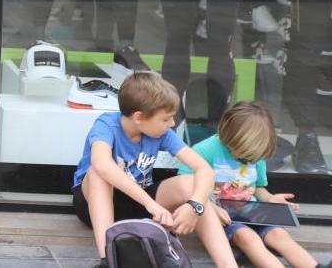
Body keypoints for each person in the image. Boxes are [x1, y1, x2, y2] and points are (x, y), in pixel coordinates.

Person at [72, 72, 235, 268]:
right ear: (139, 117)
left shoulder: (162, 133)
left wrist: (196, 206)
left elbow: (204, 170)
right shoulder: (107, 125)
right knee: (98, 174)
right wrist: (151, 205)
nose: (172, 124)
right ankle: (108, 259)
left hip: (139, 204)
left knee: (191, 184)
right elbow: (102, 165)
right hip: (96, 205)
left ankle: (228, 265)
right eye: (166, 119)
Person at [177, 102, 331, 268]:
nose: (251, 161)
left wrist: (270, 199)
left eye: (255, 158)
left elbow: (258, 188)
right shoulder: (205, 150)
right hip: (220, 218)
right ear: (230, 139)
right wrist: (210, 207)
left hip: (251, 212)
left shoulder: (256, 154)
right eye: (246, 157)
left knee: (279, 235)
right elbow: (184, 184)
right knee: (248, 238)